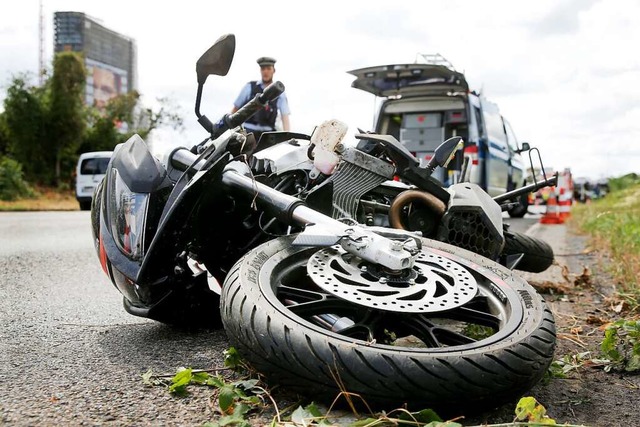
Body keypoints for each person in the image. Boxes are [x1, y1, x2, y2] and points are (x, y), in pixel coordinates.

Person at [231, 56, 290, 143]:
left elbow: (285, 117)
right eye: (263, 69)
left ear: (274, 70)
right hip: (247, 134)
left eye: (268, 68)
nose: (265, 71)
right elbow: (235, 110)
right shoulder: (249, 87)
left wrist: (287, 138)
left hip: (267, 136)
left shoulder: (279, 92)